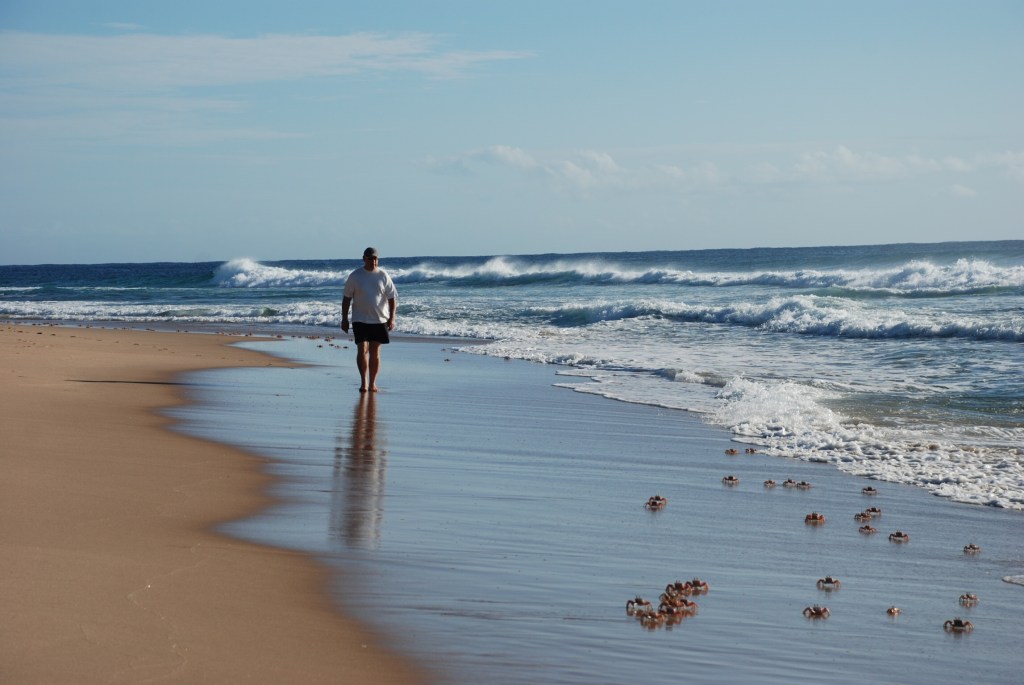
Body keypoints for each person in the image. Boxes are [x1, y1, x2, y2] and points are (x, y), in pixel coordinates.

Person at [341, 247, 397, 392]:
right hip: (359, 319)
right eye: (370, 259)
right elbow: (346, 299)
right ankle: (363, 382)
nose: (373, 261)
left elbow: (392, 298)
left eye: (375, 259)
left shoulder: (383, 275)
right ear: (364, 259)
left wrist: (392, 318)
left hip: (379, 319)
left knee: (375, 351)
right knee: (362, 349)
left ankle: (373, 383)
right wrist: (344, 319)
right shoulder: (355, 276)